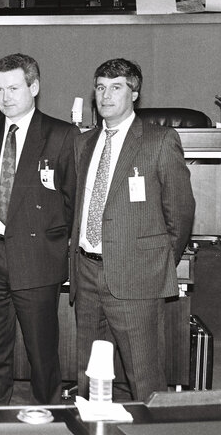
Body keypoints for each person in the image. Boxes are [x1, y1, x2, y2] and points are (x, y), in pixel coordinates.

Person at [69, 58, 195, 402]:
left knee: (145, 376)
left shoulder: (159, 140)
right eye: (100, 87)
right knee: (91, 373)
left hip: (138, 275)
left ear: (134, 93)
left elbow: (181, 213)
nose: (105, 95)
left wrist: (155, 261)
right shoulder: (83, 143)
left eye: (116, 87)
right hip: (87, 271)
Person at [0, 53, 78, 405]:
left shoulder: (62, 135)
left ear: (34, 86)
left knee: (42, 352)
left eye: (14, 88)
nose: (5, 97)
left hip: (37, 258)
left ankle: (52, 414)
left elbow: (72, 198)